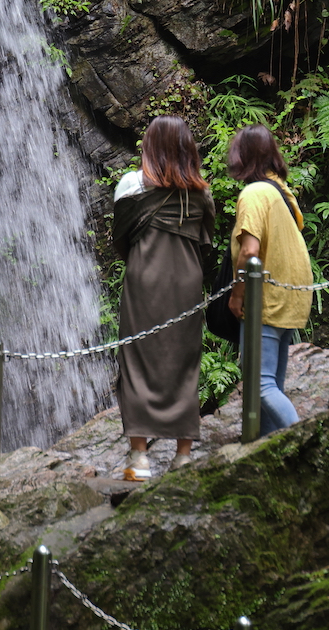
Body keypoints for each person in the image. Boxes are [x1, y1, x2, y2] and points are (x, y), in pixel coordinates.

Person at [112, 115, 215, 481]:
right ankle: (183, 456)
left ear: (149, 148)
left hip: (144, 280)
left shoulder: (131, 185)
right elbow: (206, 244)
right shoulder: (201, 194)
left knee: (137, 361)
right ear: (188, 149)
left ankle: (139, 460)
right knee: (184, 363)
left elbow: (120, 241)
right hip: (186, 283)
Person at [226, 124, 312, 436]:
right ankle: (263, 447)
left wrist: (237, 296)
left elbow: (249, 252)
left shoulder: (253, 193)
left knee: (259, 384)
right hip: (292, 295)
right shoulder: (279, 190)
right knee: (272, 381)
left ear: (240, 157)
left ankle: (303, 439)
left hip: (269, 297)